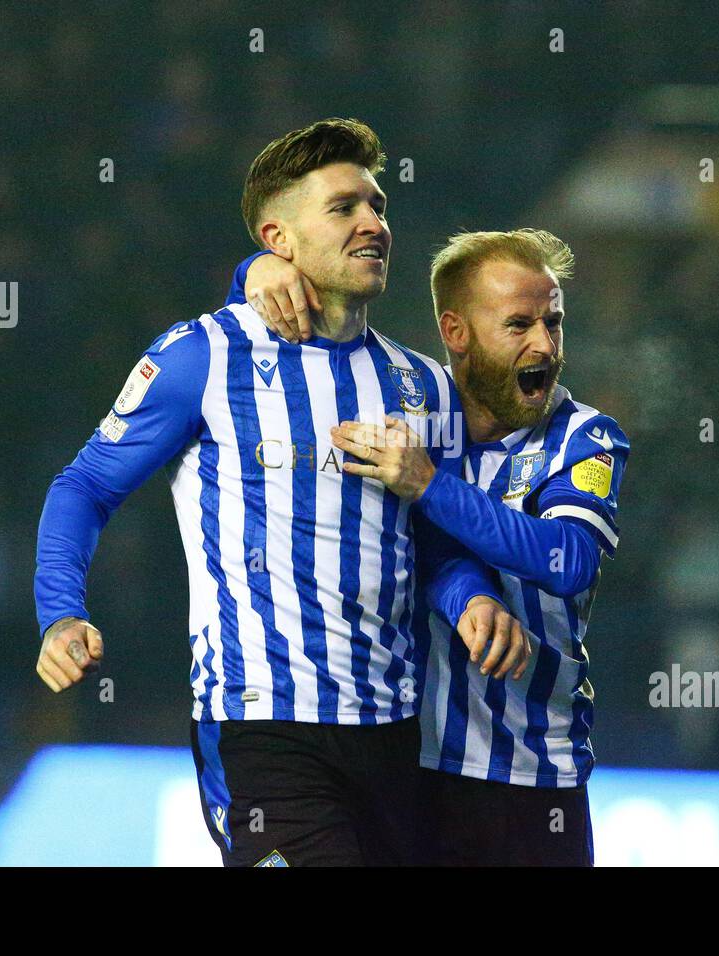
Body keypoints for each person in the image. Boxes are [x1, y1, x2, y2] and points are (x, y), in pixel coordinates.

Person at [32, 119, 528, 867]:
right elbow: (86, 486)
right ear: (278, 239)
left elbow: (434, 546)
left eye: (379, 205)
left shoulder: (423, 383)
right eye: (343, 208)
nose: (373, 224)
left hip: (394, 731)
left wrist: (471, 600)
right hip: (260, 726)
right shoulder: (201, 355)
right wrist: (60, 611)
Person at [229, 227, 628, 865]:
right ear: (455, 331)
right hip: (407, 765)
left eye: (554, 324)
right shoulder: (405, 411)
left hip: (532, 778)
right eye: (519, 325)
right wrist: (253, 269)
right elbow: (275, 342)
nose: (544, 345)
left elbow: (569, 559)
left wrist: (429, 486)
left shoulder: (582, 435)